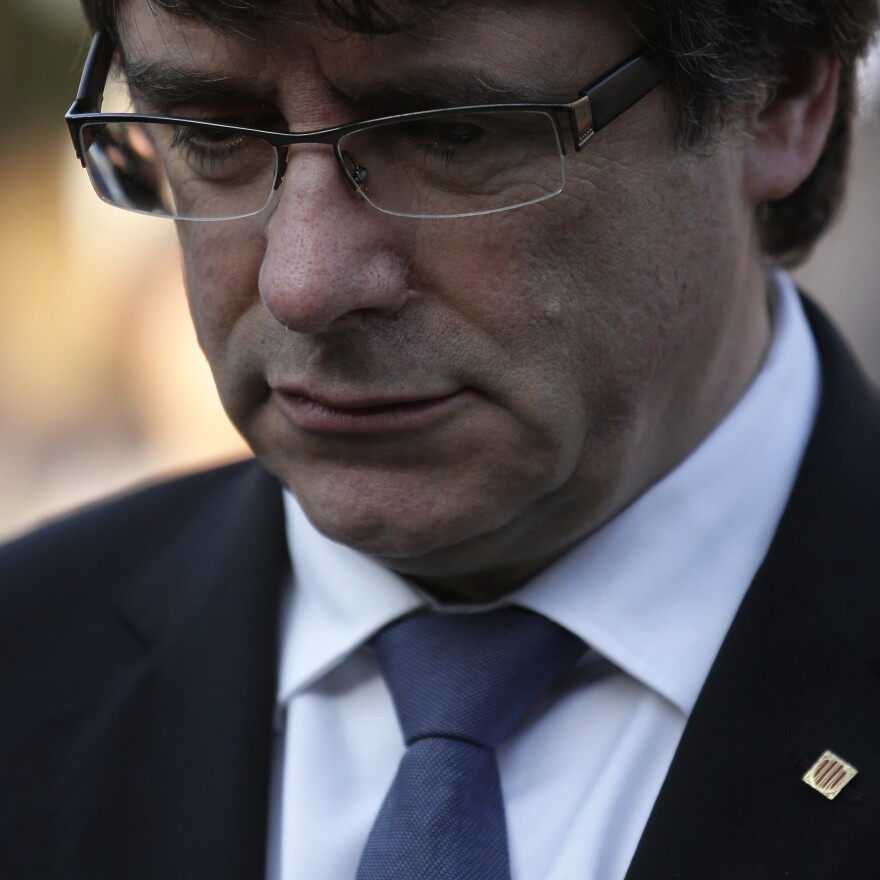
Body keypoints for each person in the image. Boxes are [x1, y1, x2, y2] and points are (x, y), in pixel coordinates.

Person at [3, 0, 880, 877]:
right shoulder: (28, 655)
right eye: (212, 133)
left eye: (451, 135)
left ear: (778, 98)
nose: (302, 283)